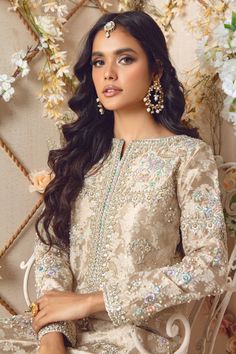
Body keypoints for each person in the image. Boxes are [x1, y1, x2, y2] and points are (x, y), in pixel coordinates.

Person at [0, 10, 228, 354]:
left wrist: (93, 301)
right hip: (58, 334)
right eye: (97, 62)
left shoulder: (187, 157)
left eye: (125, 59)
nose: (108, 73)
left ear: (156, 69)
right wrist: (53, 334)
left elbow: (208, 266)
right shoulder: (83, 155)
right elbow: (53, 249)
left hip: (131, 338)